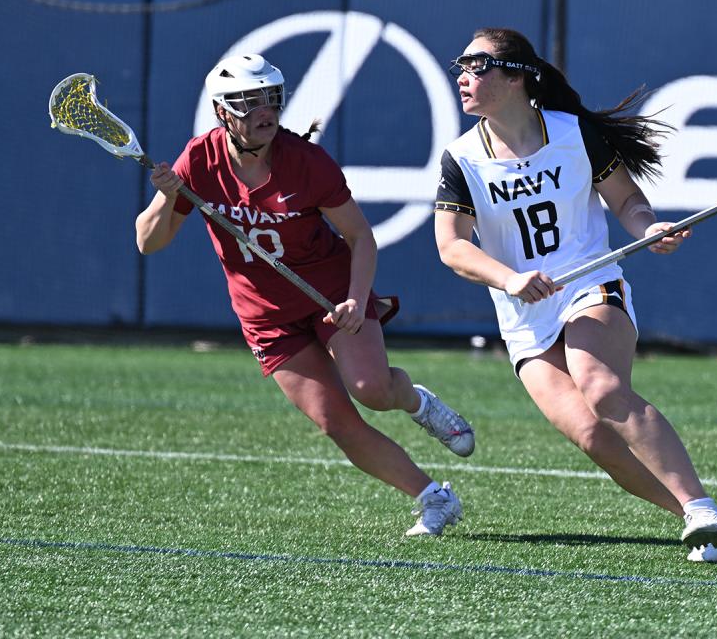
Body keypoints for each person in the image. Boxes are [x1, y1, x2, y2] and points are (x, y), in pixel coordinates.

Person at [137, 53, 473, 537]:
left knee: (371, 390)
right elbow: (148, 242)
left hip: (329, 292)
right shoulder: (199, 159)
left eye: (270, 100)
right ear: (222, 113)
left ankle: (418, 404)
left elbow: (361, 238)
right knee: (335, 421)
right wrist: (169, 195)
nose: (264, 112)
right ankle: (434, 499)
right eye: (247, 103)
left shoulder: (308, 163)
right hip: (266, 316)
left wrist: (358, 299)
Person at [432, 28, 717, 562]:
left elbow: (628, 202)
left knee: (600, 384)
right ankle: (695, 519)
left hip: (589, 281)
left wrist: (647, 230)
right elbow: (452, 248)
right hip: (523, 312)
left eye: (477, 66)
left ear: (517, 76)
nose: (463, 77)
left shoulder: (575, 135)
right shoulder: (460, 159)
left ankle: (700, 503)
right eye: (462, 66)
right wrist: (509, 279)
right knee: (595, 438)